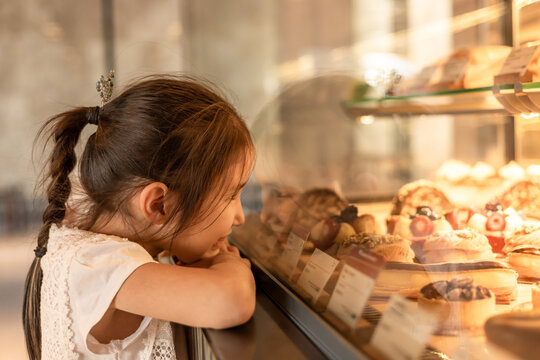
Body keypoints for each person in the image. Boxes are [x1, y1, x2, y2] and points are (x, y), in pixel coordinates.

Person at [23, 72, 256, 360]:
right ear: (159, 204)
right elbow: (230, 302)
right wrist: (229, 263)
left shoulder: (88, 242)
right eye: (231, 196)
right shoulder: (102, 265)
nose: (240, 217)